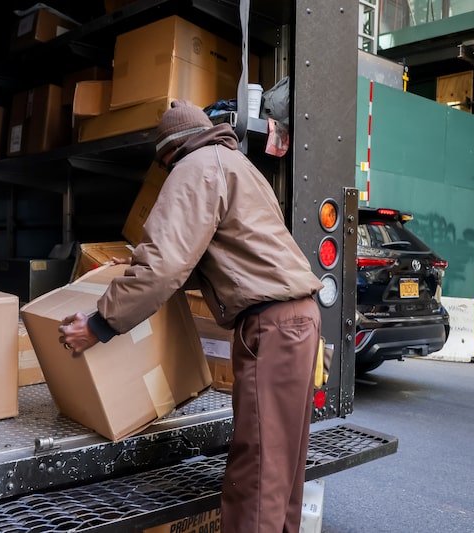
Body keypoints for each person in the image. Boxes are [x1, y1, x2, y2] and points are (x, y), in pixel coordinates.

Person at [58, 100, 323, 533]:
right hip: (299, 319)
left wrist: (97, 324)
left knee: (255, 474)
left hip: (272, 326)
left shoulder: (193, 168)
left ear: (168, 153)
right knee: (283, 471)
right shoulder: (235, 163)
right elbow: (223, 251)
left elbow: (163, 265)